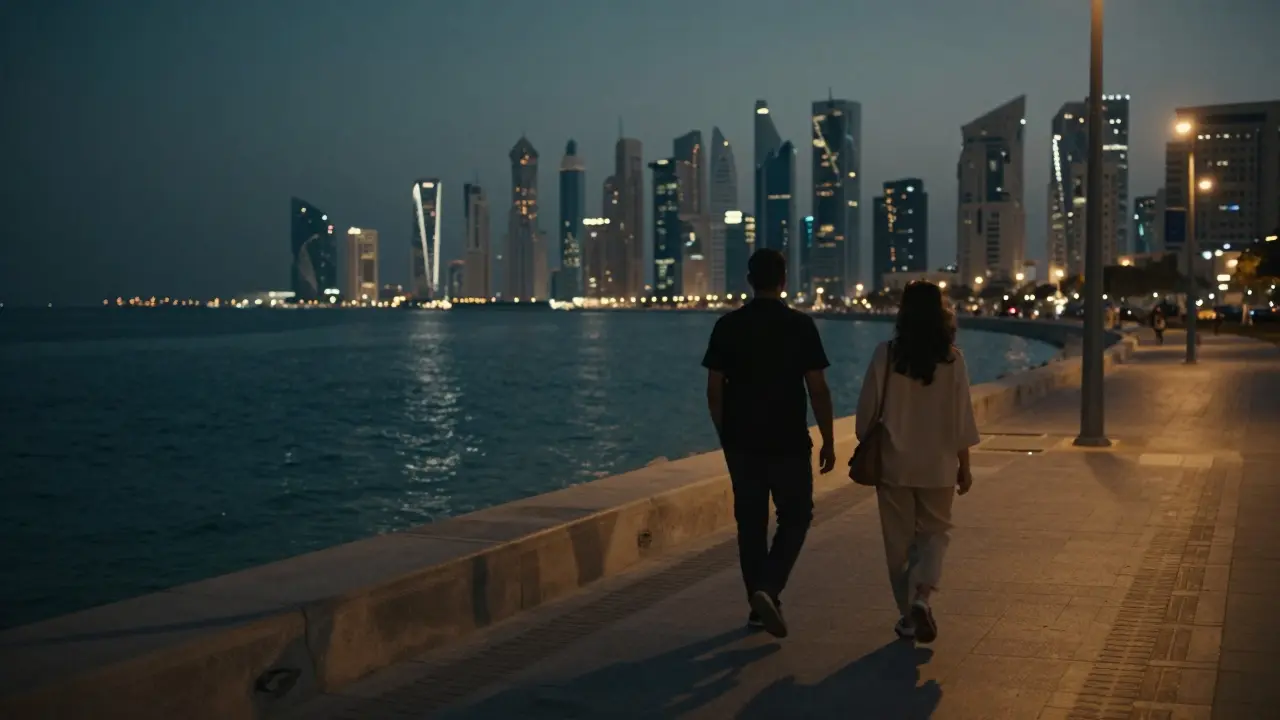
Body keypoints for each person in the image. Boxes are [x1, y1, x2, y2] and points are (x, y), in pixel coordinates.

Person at [702, 248, 836, 639]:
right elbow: (818, 389)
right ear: (783, 281)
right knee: (796, 517)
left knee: (750, 525)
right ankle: (769, 588)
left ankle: (759, 606)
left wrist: (724, 435)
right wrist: (828, 438)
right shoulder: (800, 326)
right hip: (789, 442)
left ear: (749, 281)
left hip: (742, 443)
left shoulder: (727, 326)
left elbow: (714, 390)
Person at [853, 281, 980, 645]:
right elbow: (962, 421)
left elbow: (865, 417)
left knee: (899, 543)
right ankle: (923, 597)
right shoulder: (954, 360)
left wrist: (871, 439)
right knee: (935, 534)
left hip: (895, 465)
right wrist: (964, 466)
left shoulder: (886, 354)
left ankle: (908, 615)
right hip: (938, 465)